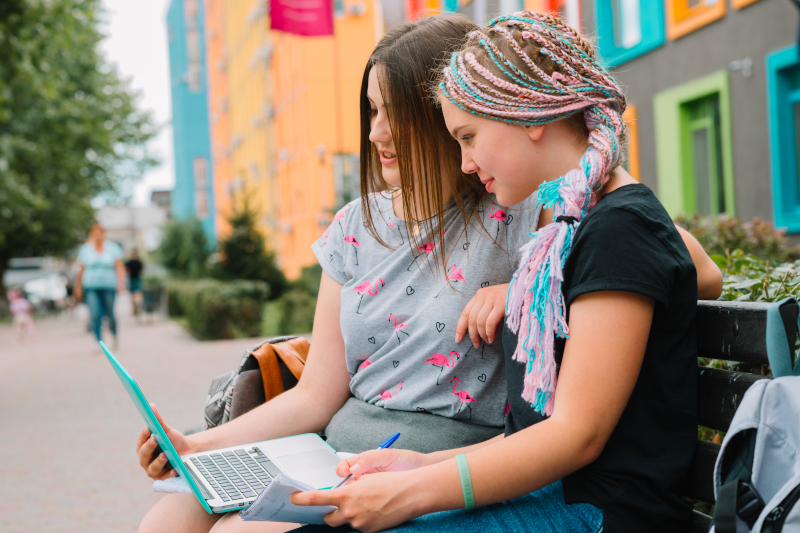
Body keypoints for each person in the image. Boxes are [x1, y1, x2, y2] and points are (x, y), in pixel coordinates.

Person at [137, 14, 719, 533]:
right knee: (168, 520)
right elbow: (319, 393)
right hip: (392, 461)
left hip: (561, 495)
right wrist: (195, 448)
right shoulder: (571, 219)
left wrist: (413, 484)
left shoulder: (553, 213)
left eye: (466, 134)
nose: (374, 133)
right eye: (370, 110)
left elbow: (669, 265)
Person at [74, 223, 125, 347]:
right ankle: (98, 341)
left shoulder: (113, 248)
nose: (97, 236)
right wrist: (78, 286)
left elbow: (119, 267)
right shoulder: (85, 250)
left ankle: (114, 335)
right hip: (91, 287)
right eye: (95, 233)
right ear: (92, 235)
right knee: (95, 314)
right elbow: (80, 270)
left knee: (110, 313)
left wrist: (121, 282)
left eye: (100, 233)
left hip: (109, 286)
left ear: (103, 234)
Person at [125, 250, 144, 316]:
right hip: (137, 279)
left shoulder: (128, 262)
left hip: (131, 279)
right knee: (138, 293)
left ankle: (135, 307)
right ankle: (138, 305)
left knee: (133, 295)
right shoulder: (138, 262)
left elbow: (126, 271)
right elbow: (142, 270)